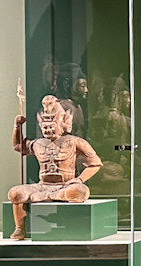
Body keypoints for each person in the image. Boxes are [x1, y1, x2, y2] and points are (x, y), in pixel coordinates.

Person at [7, 94, 103, 239]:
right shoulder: (38, 143)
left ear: (63, 124)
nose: (48, 130)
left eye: (52, 126)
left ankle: (51, 200)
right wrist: (17, 127)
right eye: (45, 127)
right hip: (42, 186)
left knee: (79, 191)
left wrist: (80, 180)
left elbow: (95, 163)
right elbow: (18, 146)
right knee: (15, 193)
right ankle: (20, 228)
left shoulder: (74, 141)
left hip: (65, 186)